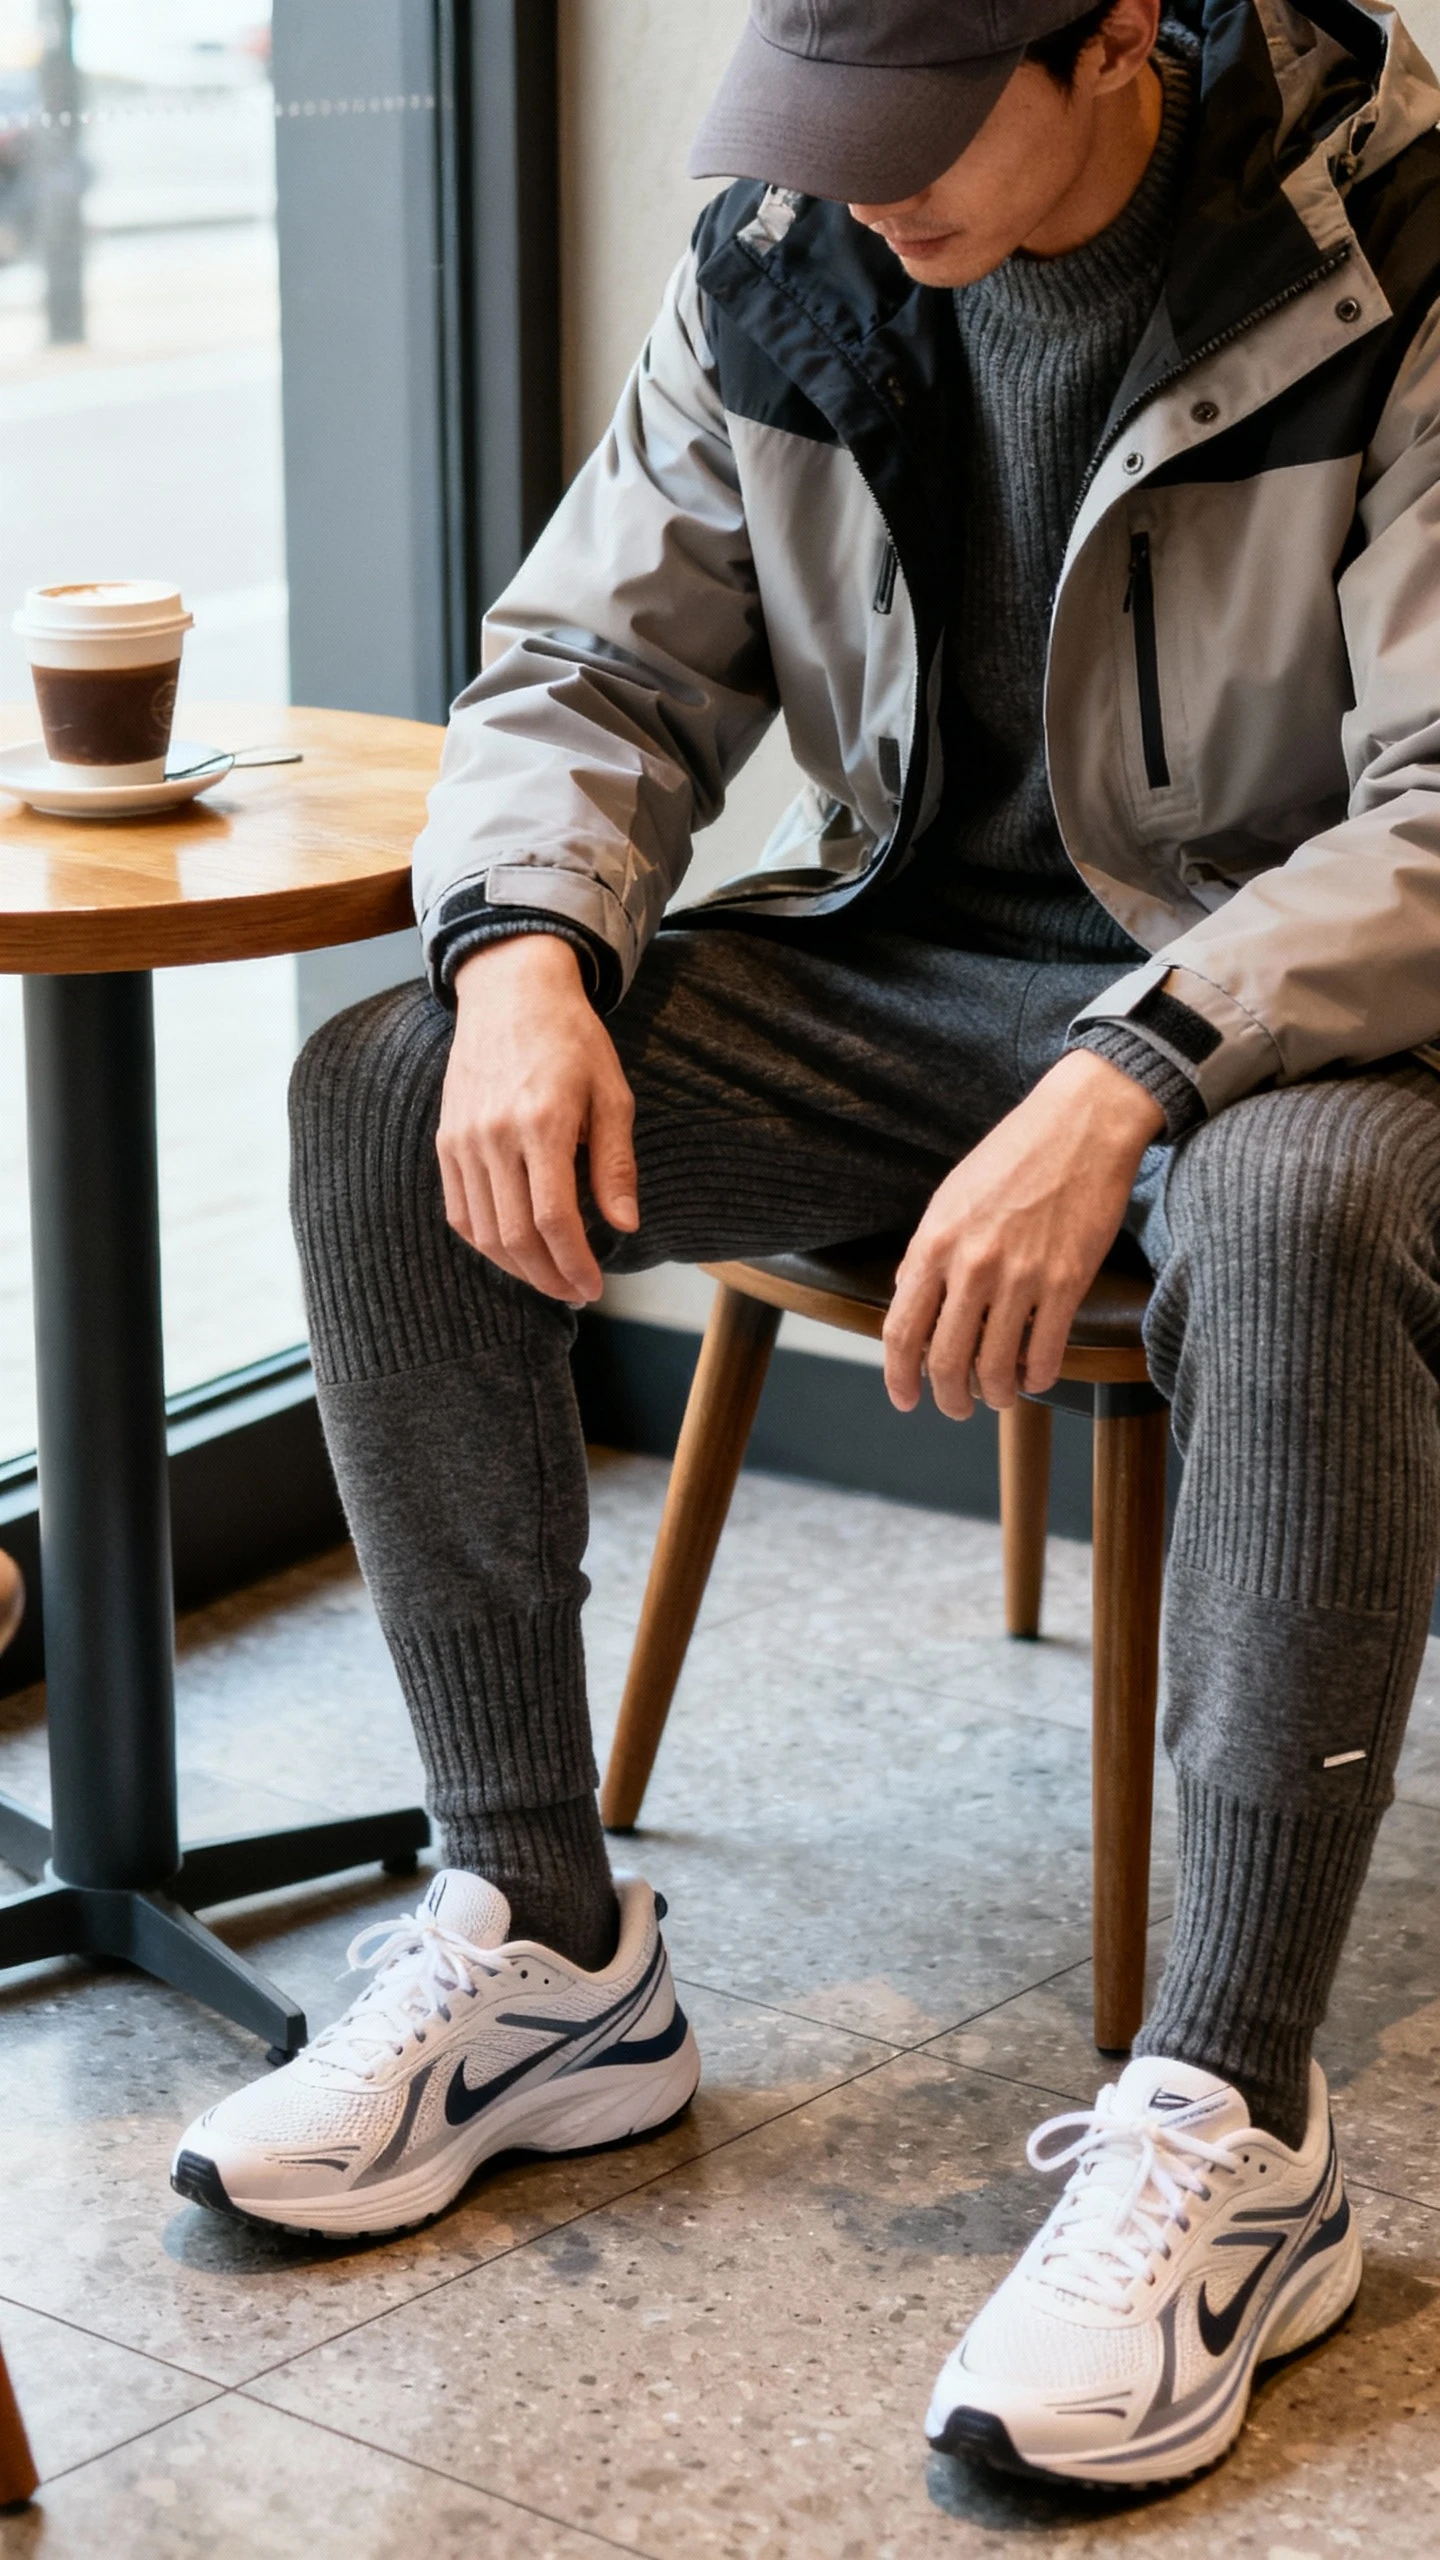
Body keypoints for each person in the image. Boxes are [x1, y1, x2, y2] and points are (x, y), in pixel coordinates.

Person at [172, 0, 1440, 2492]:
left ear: (1108, 43)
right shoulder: (792, 244)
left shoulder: (1393, 242)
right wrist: (524, 949)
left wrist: (1143, 1064)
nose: (859, 195)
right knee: (391, 1088)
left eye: (912, 134)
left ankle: (1233, 2116)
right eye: (817, 131)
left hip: (1299, 1008)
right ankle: (541, 1944)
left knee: (1294, 1208)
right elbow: (586, 657)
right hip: (901, 977)